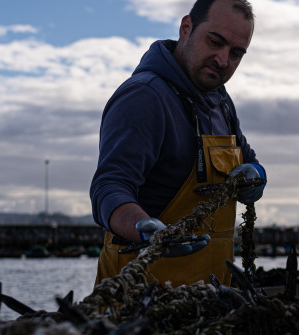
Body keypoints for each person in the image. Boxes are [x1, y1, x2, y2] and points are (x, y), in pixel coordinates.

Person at [89, 0, 266, 287]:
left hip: (211, 297)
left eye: (236, 53)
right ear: (186, 28)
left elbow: (248, 160)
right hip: (138, 295)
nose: (223, 60)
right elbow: (108, 188)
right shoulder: (144, 97)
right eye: (215, 42)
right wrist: (148, 231)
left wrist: (256, 176)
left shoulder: (221, 101)